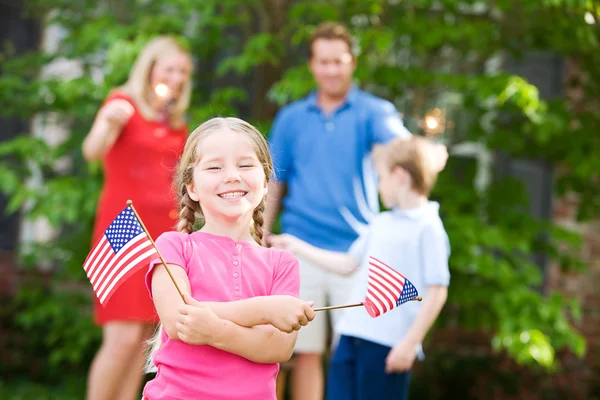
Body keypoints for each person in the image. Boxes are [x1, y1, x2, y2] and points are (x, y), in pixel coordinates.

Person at [264, 21, 447, 400]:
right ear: (312, 65)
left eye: (339, 61)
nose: (332, 69)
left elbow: (406, 157)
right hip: (303, 247)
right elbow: (275, 183)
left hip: (358, 251)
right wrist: (261, 232)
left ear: (352, 62)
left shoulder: (374, 112)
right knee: (306, 352)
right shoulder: (292, 118)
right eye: (324, 62)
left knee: (351, 350)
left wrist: (430, 154)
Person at [141, 117, 316, 400]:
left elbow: (278, 347)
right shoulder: (173, 246)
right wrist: (266, 310)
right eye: (214, 167)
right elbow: (179, 321)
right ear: (192, 187)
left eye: (245, 164)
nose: (232, 175)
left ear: (266, 180)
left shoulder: (282, 263)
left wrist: (213, 330)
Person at [269, 135, 450, 400]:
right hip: (351, 336)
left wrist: (410, 344)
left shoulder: (429, 228)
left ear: (399, 175)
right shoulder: (381, 222)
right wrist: (296, 246)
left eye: (381, 178)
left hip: (388, 345)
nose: (379, 187)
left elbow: (437, 291)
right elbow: (347, 264)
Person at [82, 36, 193, 400]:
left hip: (162, 233)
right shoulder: (122, 104)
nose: (176, 77)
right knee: (122, 336)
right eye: (169, 69)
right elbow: (92, 151)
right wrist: (106, 123)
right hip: (124, 230)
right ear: (150, 69)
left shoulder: (177, 122)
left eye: (182, 71)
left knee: (145, 339)